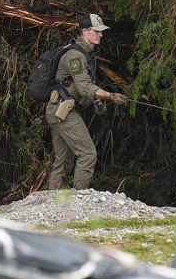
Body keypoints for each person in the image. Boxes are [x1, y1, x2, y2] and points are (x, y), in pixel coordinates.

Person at [46, 13, 127, 190]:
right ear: (85, 31)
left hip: (57, 110)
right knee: (88, 154)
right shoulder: (76, 56)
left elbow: (76, 87)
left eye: (101, 31)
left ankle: (54, 205)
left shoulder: (85, 54)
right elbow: (84, 87)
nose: (100, 35)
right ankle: (80, 200)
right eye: (97, 31)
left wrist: (95, 101)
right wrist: (110, 96)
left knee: (63, 161)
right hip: (63, 112)